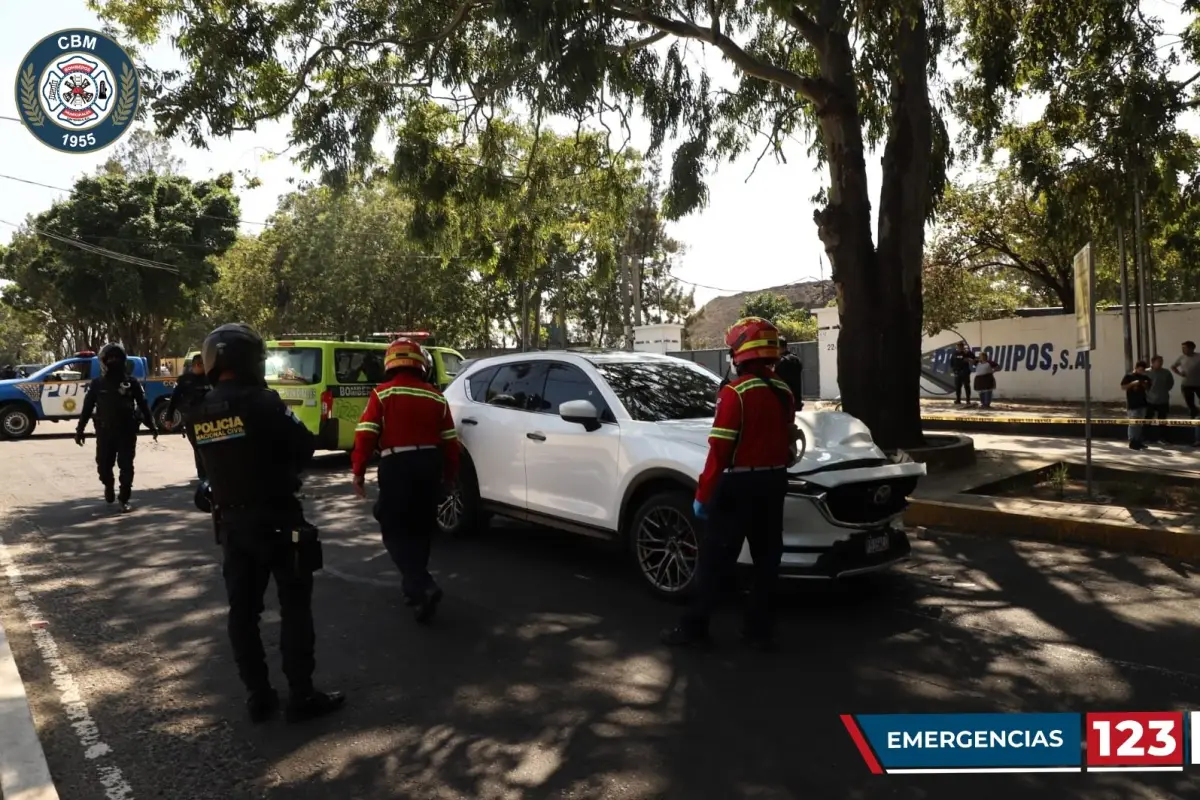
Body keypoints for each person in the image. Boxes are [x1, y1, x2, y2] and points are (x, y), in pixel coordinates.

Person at [186, 323, 344, 724]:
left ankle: (258, 695)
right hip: (278, 518)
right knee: (294, 608)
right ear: (250, 360)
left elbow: (209, 469)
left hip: (233, 526)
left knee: (243, 613)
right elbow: (305, 444)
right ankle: (301, 695)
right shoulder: (265, 403)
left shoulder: (200, 411)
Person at [661, 317, 796, 651]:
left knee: (715, 562)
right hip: (774, 481)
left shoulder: (735, 394)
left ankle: (694, 628)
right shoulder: (783, 392)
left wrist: (703, 495)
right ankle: (758, 631)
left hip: (738, 487)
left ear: (740, 351)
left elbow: (719, 452)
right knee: (767, 561)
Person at [351, 338, 459, 623]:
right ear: (421, 364)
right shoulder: (437, 397)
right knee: (421, 527)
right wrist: (448, 479)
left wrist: (358, 472)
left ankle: (422, 584)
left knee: (393, 526)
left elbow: (365, 435)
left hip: (397, 464)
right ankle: (414, 591)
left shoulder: (382, 394)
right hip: (430, 464)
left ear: (390, 363)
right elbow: (451, 444)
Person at [74, 344, 157, 512]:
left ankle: (124, 498)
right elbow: (87, 408)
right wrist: (80, 430)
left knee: (126, 466)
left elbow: (143, 404)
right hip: (105, 432)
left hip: (127, 431)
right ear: (104, 362)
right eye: (110, 358)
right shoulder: (97, 384)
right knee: (103, 466)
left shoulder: (131, 383)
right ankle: (109, 485)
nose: (113, 362)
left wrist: (152, 425)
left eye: (116, 358)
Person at [165, 354, 211, 481]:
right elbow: (174, 399)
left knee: (208, 446)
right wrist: (169, 417)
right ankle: (203, 476)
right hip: (192, 419)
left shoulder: (210, 378)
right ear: (197, 365)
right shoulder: (184, 380)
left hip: (209, 418)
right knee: (198, 447)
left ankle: (209, 474)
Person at [1171, 341, 1200, 446]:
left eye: (1186, 348)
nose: (1184, 350)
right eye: (1183, 348)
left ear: (1192, 348)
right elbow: (1173, 366)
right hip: (1187, 384)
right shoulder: (1181, 358)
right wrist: (1179, 373)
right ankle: (1194, 419)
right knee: (1190, 403)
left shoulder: (1198, 357)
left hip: (1198, 384)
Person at [1121, 361, 1153, 451]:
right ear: (1136, 368)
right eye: (1140, 369)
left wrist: (1144, 384)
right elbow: (1123, 387)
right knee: (1133, 424)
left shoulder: (1145, 377)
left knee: (1140, 424)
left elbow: (1149, 388)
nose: (1141, 371)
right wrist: (1132, 384)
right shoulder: (1129, 376)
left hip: (1142, 403)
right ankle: (1132, 441)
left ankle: (1138, 441)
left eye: (1143, 370)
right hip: (1132, 404)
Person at [1145, 355, 1174, 444]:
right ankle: (1146, 437)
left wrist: (1163, 390)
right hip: (1149, 399)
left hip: (1163, 399)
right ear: (1152, 363)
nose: (1160, 363)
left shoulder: (1166, 372)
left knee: (1162, 419)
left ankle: (1162, 438)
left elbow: (1170, 383)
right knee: (1147, 419)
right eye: (1158, 361)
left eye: (1161, 361)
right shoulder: (1146, 373)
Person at [773, 340, 805, 411]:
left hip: (784, 402)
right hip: (796, 400)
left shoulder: (781, 362)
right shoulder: (796, 359)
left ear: (779, 347)